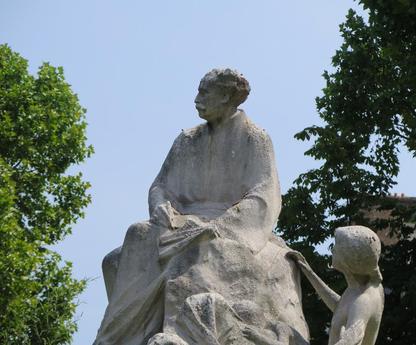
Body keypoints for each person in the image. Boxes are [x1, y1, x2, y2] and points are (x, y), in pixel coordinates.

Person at [94, 69, 310, 345]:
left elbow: (263, 196)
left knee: (193, 251)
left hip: (228, 225)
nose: (197, 99)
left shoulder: (255, 138)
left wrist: (219, 226)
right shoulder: (186, 140)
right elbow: (161, 185)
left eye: (204, 92)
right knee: (131, 240)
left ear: (226, 96)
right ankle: (119, 336)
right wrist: (160, 205)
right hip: (179, 220)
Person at [287, 225, 384, 345]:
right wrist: (310, 273)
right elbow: (341, 308)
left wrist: (348, 339)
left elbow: (353, 335)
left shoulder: (363, 301)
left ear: (348, 261)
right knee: (284, 329)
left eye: (337, 247)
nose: (333, 250)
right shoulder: (357, 290)